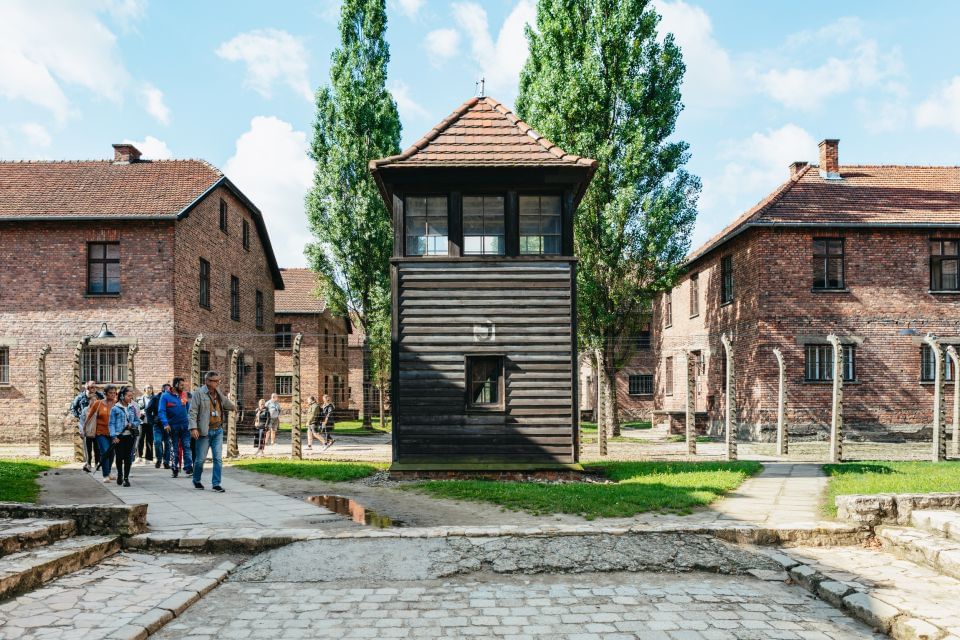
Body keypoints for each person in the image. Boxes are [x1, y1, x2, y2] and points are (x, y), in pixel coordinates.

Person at [189, 371, 235, 492]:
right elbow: (192, 412)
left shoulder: (218, 392)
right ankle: (196, 480)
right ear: (207, 381)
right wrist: (193, 428)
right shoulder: (198, 393)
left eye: (218, 381)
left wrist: (233, 406)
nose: (218, 383)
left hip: (218, 430)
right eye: (215, 381)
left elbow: (225, 403)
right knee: (200, 459)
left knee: (218, 458)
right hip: (204, 431)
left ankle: (216, 484)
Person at [83, 385, 118, 483]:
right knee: (105, 451)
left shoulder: (117, 404)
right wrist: (85, 428)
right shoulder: (98, 403)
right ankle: (105, 475)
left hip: (113, 433)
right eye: (110, 393)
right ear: (105, 393)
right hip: (100, 432)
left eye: (114, 393)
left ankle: (109, 472)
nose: (113, 395)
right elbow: (89, 416)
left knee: (111, 453)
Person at [158, 377, 191, 478]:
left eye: (183, 385)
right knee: (174, 448)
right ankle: (175, 468)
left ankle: (188, 468)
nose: (183, 387)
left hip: (185, 426)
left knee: (187, 446)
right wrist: (165, 424)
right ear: (175, 385)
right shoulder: (165, 396)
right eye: (181, 385)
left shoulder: (184, 394)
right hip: (172, 427)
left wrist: (191, 422)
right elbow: (161, 411)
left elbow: (188, 409)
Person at [110, 386, 140, 487]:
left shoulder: (132, 407)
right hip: (119, 436)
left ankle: (126, 478)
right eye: (129, 396)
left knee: (128, 458)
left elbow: (137, 420)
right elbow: (111, 424)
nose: (130, 398)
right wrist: (113, 436)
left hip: (130, 436)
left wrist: (133, 424)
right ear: (122, 396)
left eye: (131, 396)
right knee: (119, 457)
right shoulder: (115, 408)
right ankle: (120, 474)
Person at [70, 381, 104, 472]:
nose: (94, 389)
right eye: (92, 387)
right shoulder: (81, 399)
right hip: (87, 429)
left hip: (97, 430)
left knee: (97, 448)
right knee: (88, 448)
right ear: (87, 388)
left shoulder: (99, 396)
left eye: (95, 387)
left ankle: (97, 464)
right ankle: (88, 463)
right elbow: (73, 408)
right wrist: (79, 417)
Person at [148, 384, 171, 469]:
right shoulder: (155, 398)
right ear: (162, 390)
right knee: (157, 442)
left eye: (169, 390)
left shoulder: (171, 398)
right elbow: (148, 410)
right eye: (166, 389)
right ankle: (159, 459)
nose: (168, 391)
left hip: (168, 425)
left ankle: (166, 462)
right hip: (157, 425)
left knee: (168, 443)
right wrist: (152, 420)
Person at [135, 386, 155, 463]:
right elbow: (136, 409)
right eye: (147, 388)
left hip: (150, 421)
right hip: (141, 421)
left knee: (149, 440)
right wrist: (140, 414)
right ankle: (139, 456)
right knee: (140, 439)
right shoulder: (139, 399)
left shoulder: (155, 399)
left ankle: (148, 458)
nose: (149, 389)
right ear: (144, 389)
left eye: (150, 388)